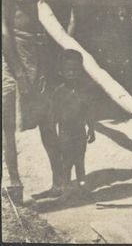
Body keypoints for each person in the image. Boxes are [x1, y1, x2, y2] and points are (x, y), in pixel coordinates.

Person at [2, 0, 63, 196]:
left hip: (37, 48)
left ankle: (60, 181)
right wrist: (18, 69)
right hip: (15, 51)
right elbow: (3, 28)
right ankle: (14, 181)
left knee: (47, 114)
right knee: (9, 119)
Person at [52, 49, 95, 197]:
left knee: (80, 159)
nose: (71, 73)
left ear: (80, 71)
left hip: (80, 131)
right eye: (68, 70)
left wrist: (92, 129)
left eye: (75, 70)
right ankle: (66, 186)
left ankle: (82, 184)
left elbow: (89, 110)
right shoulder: (59, 92)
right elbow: (54, 114)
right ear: (61, 72)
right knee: (67, 160)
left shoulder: (84, 90)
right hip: (64, 133)